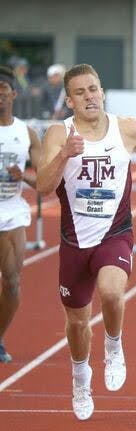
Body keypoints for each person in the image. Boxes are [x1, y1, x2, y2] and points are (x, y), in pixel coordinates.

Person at [36, 64, 136, 420]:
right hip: (75, 241)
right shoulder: (58, 134)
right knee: (77, 323)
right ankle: (80, 378)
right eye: (80, 92)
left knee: (111, 293)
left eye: (94, 89)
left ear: (102, 91)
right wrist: (64, 155)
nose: (89, 96)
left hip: (115, 233)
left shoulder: (128, 128)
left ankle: (113, 346)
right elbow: (43, 188)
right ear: (69, 100)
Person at [0, 65, 42, 362]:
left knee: (12, 281)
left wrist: (23, 176)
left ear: (13, 94)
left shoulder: (26, 133)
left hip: (11, 212)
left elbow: (44, 181)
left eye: (2, 91)